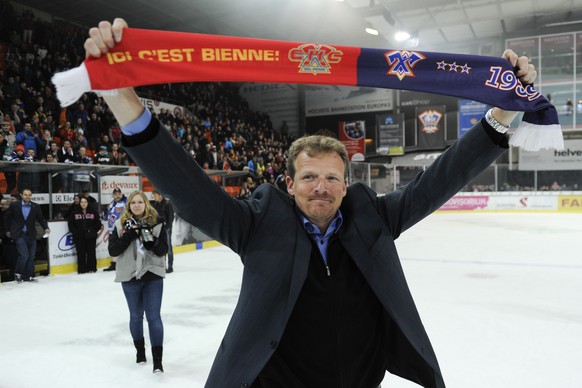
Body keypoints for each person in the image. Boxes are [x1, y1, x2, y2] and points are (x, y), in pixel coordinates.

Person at [85, 19, 537, 388]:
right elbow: (186, 187)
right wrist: (119, 96)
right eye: (309, 177)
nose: (320, 187)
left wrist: (503, 111)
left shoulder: (374, 218)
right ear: (288, 182)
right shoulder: (256, 224)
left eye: (331, 178)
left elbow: (441, 178)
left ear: (346, 184)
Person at [108, 190, 168, 373]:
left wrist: (150, 238)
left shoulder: (157, 222)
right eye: (133, 202)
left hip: (152, 274)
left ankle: (158, 360)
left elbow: (163, 249)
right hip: (130, 276)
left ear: (145, 204)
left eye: (140, 202)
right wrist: (129, 235)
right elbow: (113, 251)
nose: (136, 205)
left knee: (154, 317)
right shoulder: (119, 225)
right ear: (129, 205)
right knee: (135, 317)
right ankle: (140, 352)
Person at [3, 188, 50, 283]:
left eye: (29, 195)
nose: (27, 196)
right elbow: (6, 218)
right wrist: (8, 230)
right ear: (21, 195)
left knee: (31, 256)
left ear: (31, 196)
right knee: (24, 255)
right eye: (25, 194)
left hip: (31, 234)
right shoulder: (14, 205)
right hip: (19, 234)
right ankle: (18, 273)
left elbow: (41, 218)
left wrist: (46, 227)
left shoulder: (35, 206)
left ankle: (27, 276)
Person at [68, 196, 103, 274]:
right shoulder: (74, 212)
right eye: (82, 202)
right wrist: (76, 233)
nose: (83, 204)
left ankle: (92, 268)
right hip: (79, 237)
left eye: (85, 202)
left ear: (88, 203)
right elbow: (70, 224)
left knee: (91, 253)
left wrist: (93, 231)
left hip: (91, 236)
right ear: (79, 203)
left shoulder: (93, 212)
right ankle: (82, 270)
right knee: (81, 253)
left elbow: (98, 224)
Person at [150, 190, 174, 273]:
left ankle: (170, 266)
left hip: (166, 229)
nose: (154, 197)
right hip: (158, 229)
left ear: (160, 195)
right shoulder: (155, 205)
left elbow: (171, 217)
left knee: (169, 247)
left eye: (155, 195)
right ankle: (162, 265)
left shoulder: (168, 204)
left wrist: (168, 227)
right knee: (161, 247)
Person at [103, 187, 127, 271]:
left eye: (119, 194)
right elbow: (108, 215)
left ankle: (124, 263)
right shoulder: (111, 203)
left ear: (122, 194)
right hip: (111, 230)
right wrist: (103, 215)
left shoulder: (125, 203)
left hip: (121, 229)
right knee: (113, 246)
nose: (117, 196)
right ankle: (114, 264)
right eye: (115, 194)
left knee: (123, 246)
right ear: (113, 195)